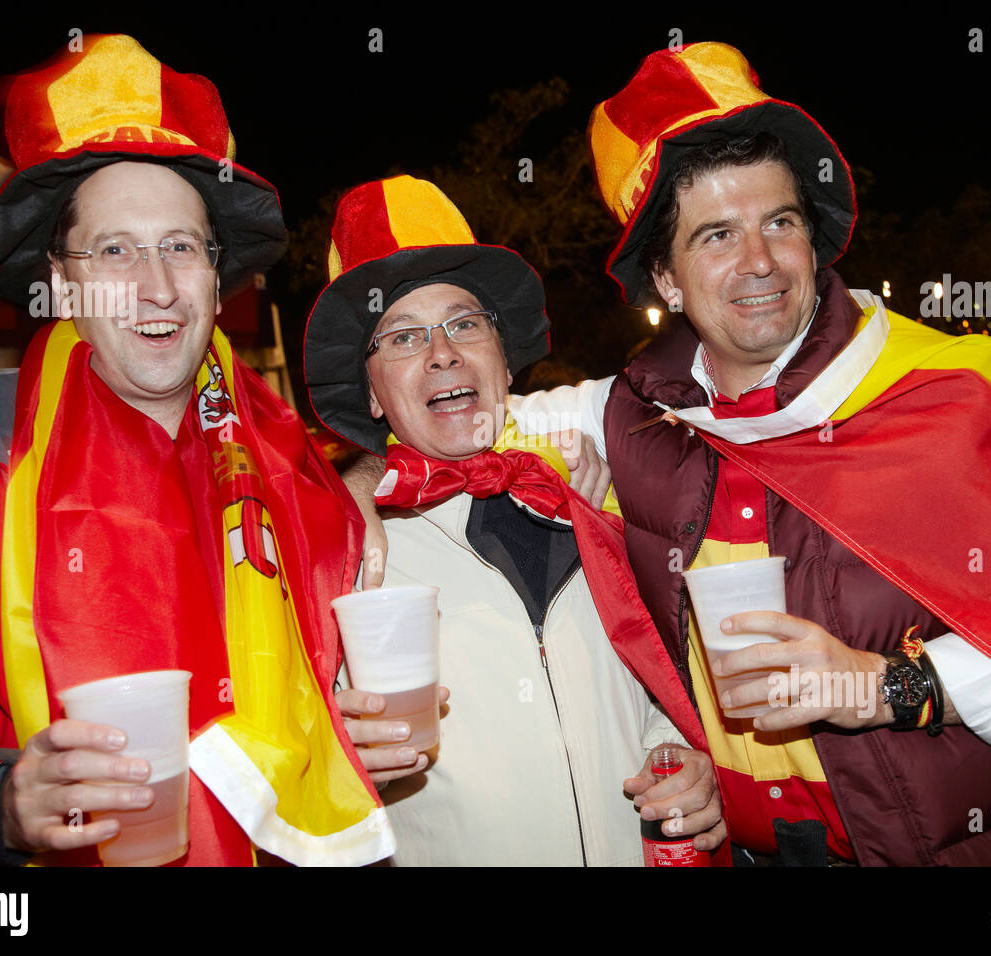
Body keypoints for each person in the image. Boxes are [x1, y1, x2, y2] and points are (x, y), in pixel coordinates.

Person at [500, 42, 991, 865]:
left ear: (813, 240)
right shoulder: (629, 420)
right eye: (716, 235)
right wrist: (356, 486)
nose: (759, 262)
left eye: (780, 222)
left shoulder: (951, 388)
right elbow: (448, 429)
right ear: (667, 281)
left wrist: (881, 687)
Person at [0, 35, 391, 866]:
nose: (156, 286)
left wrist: (347, 730)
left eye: (181, 246)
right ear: (60, 273)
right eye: (114, 250)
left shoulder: (300, 476)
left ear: (215, 273)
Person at [304, 176, 724, 865]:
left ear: (501, 358)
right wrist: (330, 763)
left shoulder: (592, 506)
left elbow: (644, 699)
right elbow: (277, 755)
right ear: (373, 397)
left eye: (465, 324)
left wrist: (680, 759)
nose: (443, 353)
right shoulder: (333, 550)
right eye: (404, 337)